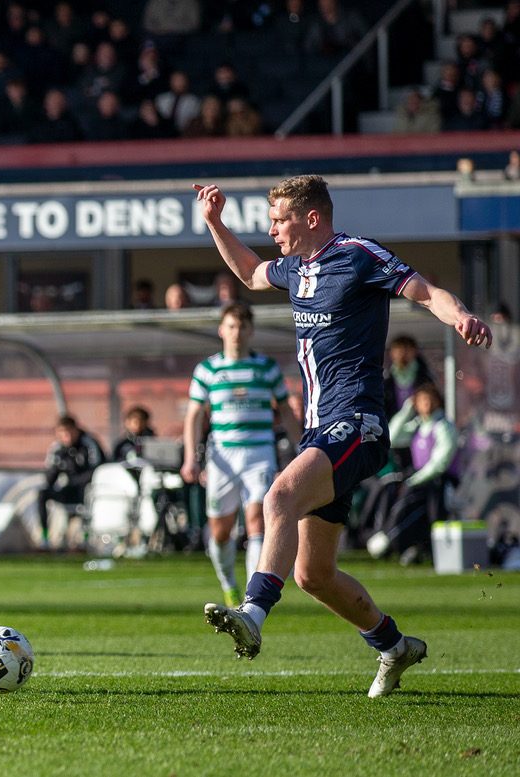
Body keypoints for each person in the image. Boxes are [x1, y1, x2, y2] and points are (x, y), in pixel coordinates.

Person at [193, 175, 492, 696]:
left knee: (279, 495)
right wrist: (215, 222)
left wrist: (460, 314)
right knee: (313, 574)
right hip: (321, 430)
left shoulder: (357, 255)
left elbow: (424, 293)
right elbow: (248, 272)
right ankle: (395, 647)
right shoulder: (296, 268)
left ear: (311, 218)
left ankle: (254, 614)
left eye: (280, 220)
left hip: (356, 423)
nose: (272, 230)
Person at [181, 302, 300, 608]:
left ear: (251, 331)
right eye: (231, 327)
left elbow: (285, 410)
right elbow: (194, 415)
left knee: (256, 521)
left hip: (259, 453)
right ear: (222, 330)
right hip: (222, 456)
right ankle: (228, 583)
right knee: (220, 532)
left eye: (242, 327)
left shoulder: (267, 368)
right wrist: (190, 458)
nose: (236, 333)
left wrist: (301, 448)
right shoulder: (207, 369)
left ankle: (251, 600)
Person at [368, 383, 458, 565]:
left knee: (424, 508)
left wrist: (414, 480)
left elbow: (439, 464)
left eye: (430, 400)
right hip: (420, 479)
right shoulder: (418, 425)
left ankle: (397, 541)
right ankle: (392, 538)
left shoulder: (443, 426)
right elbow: (392, 435)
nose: (427, 405)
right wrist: (407, 410)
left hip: (439, 481)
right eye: (422, 401)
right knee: (391, 490)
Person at [37, 416, 107, 550]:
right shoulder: (57, 448)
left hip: (86, 490)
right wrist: (57, 465)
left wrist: (75, 480)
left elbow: (97, 470)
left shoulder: (89, 444)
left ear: (76, 430)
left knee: (86, 492)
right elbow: (49, 479)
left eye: (69, 432)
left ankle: (84, 541)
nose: (66, 436)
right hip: (67, 489)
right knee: (42, 493)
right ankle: (45, 539)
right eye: (62, 433)